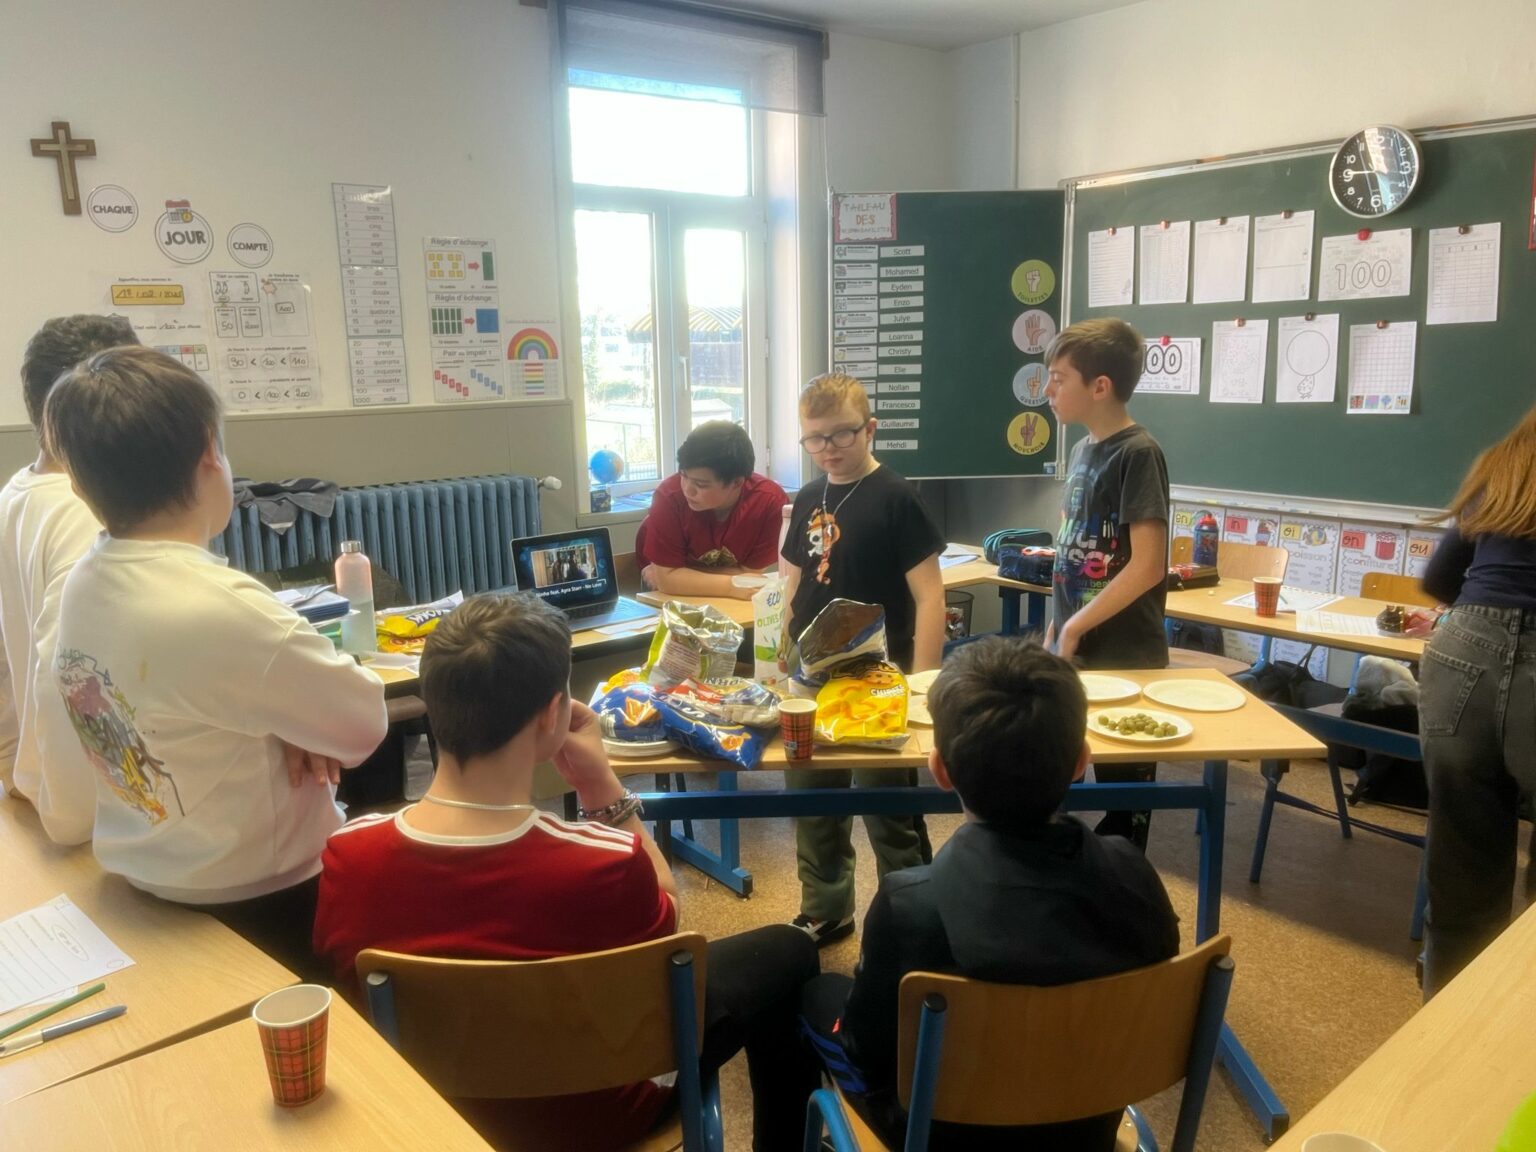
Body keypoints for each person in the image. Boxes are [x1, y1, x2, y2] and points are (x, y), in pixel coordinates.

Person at [314, 592, 820, 1152]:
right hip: (600, 1121)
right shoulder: (604, 860)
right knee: (789, 950)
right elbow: (669, 922)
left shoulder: (346, 856)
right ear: (552, 714)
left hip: (432, 1119)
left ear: (432, 703)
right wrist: (602, 787)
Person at [45, 346, 387, 979]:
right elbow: (364, 723)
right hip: (264, 907)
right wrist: (294, 722)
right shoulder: (220, 606)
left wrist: (285, 717)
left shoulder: (85, 579)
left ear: (79, 481)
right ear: (210, 451)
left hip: (145, 885)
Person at [800, 637, 1179, 1150]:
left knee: (811, 992)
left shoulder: (910, 904)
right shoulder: (1136, 875)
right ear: (1081, 761)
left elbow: (866, 1052)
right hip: (1086, 1128)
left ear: (939, 770)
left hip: (937, 1136)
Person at [780, 373, 945, 945]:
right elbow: (793, 584)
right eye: (814, 438)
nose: (827, 448)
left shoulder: (898, 497)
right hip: (809, 680)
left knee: (889, 806)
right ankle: (826, 907)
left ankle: (915, 914)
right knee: (812, 799)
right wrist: (782, 652)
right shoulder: (809, 496)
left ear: (870, 428)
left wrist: (924, 682)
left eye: (841, 434)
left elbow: (930, 598)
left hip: (879, 681)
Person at [0, 315, 138, 844]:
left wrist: (19, 770)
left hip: (42, 783)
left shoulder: (17, 491)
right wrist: (66, 812)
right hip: (89, 807)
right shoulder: (83, 511)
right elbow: (65, 674)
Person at [1418, 403, 1536, 999]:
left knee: (1461, 872)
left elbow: (1439, 580)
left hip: (1462, 652)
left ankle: (1447, 1035)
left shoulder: (1505, 465)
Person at [1044, 319, 1169, 851]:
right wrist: (1056, 630)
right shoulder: (1081, 451)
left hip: (1125, 653)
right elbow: (1071, 554)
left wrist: (1074, 626)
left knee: (1124, 802)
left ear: (1100, 386)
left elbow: (1148, 566)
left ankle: (1121, 886)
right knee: (1055, 780)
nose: (1048, 390)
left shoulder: (1137, 453)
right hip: (1074, 648)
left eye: (1058, 379)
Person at [637, 420, 788, 600]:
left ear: (737, 482)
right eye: (683, 475)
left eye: (701, 484)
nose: (687, 489)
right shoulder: (668, 497)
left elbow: (750, 575)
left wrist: (680, 574)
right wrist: (732, 585)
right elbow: (666, 581)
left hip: (727, 602)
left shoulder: (769, 502)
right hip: (668, 600)